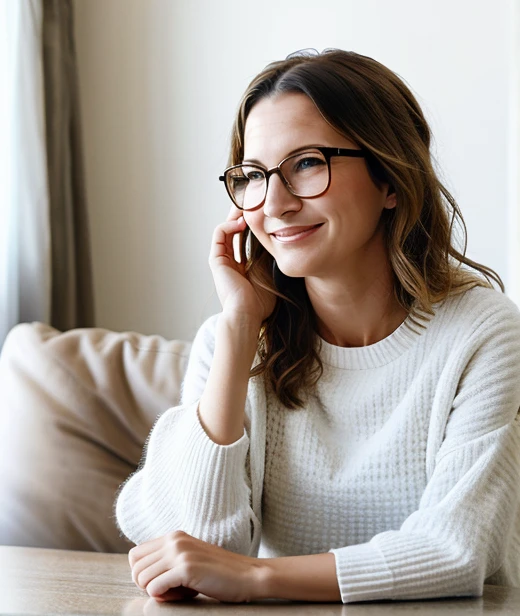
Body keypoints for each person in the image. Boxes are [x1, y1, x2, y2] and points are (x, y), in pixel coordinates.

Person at [115, 49, 520, 604]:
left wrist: (255, 577)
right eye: (254, 175)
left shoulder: (482, 331)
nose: (274, 204)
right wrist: (237, 331)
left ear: (391, 180)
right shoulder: (233, 337)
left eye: (306, 162)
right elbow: (195, 547)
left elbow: (455, 552)